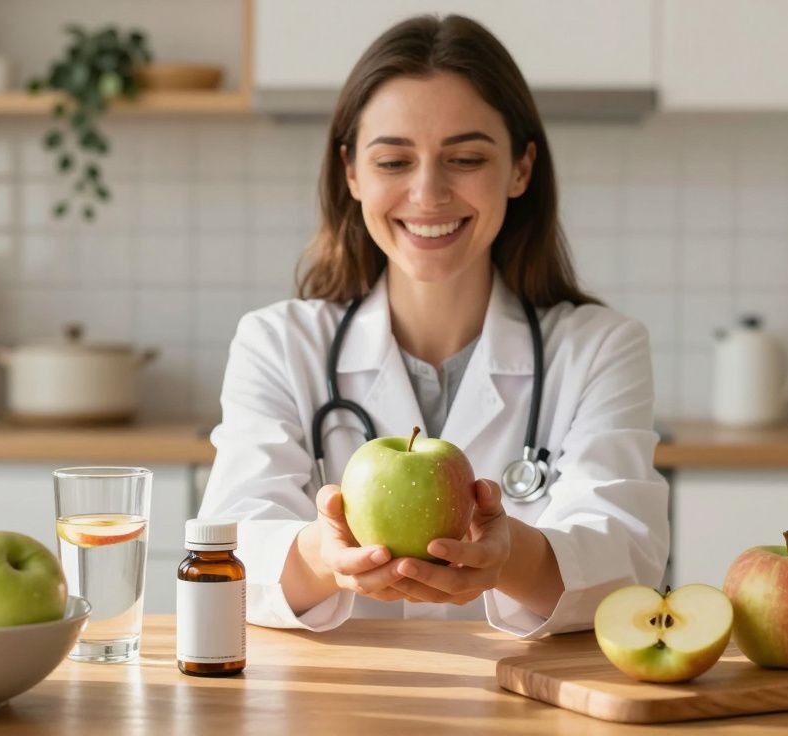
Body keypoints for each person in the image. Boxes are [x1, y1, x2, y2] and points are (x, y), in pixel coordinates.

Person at [198, 14, 668, 639]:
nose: (428, 192)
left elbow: (629, 562)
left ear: (521, 168)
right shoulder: (277, 344)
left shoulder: (600, 348)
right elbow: (228, 548)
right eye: (393, 160)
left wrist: (510, 557)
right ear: (352, 172)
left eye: (466, 157)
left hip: (524, 704)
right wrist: (324, 557)